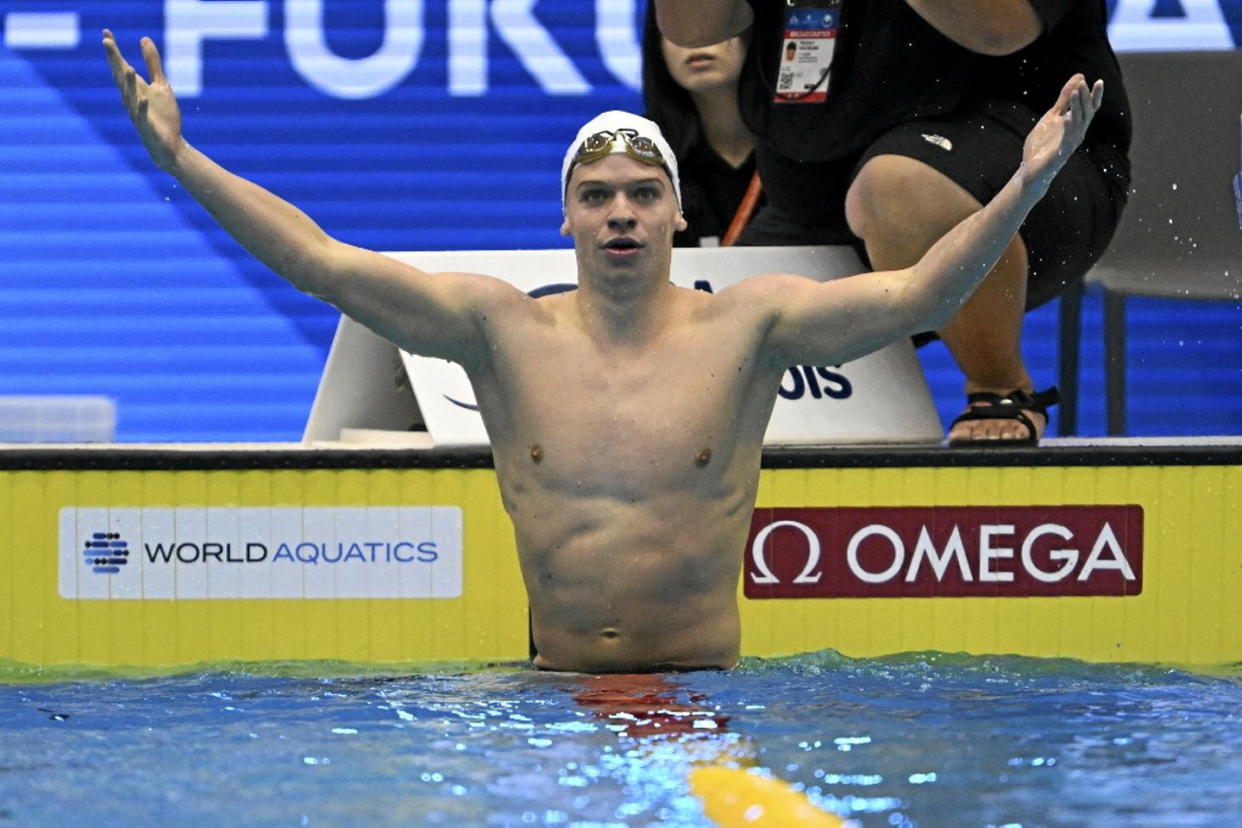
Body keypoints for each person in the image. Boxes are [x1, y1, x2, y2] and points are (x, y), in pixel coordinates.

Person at [103, 29, 1101, 672]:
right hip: (552, 697)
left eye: (641, 194)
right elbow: (323, 263)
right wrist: (183, 160)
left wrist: (1025, 181)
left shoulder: (750, 327)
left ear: (675, 215)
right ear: (568, 220)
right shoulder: (499, 332)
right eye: (597, 197)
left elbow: (924, 290)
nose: (620, 213)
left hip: (709, 700)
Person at [654, 1, 1131, 446]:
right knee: (710, 355)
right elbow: (691, 27)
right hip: (819, 198)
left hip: (1025, 169)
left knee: (896, 187)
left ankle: (1000, 385)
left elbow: (999, 28)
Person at [640, 4, 761, 247]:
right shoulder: (642, 153)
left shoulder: (806, 143)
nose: (697, 40)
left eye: (716, 23)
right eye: (678, 27)